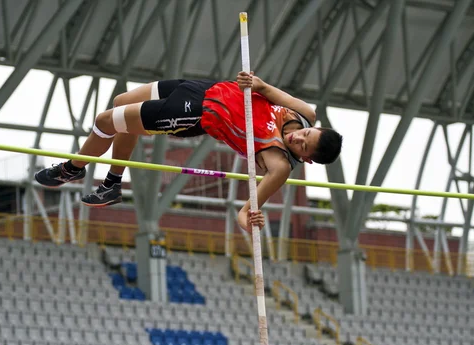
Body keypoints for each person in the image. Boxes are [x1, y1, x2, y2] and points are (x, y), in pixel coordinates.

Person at [35, 71, 343, 232]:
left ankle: (72, 168)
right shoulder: (305, 114)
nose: (299, 139)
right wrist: (256, 83)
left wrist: (252, 219)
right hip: (205, 88)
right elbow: (265, 91)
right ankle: (112, 184)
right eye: (306, 134)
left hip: (196, 112)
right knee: (120, 102)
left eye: (304, 146)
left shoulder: (279, 164)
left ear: (307, 159)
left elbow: (244, 212)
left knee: (106, 121)